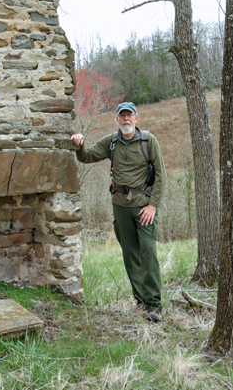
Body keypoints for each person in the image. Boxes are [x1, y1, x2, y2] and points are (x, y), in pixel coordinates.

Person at [71, 101, 167, 322]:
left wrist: (153, 205)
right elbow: (87, 156)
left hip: (144, 207)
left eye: (129, 115)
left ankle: (155, 305)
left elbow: (161, 174)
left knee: (148, 253)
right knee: (130, 256)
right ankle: (141, 301)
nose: (126, 119)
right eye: (122, 116)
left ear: (136, 118)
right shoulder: (111, 142)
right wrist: (79, 144)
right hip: (120, 207)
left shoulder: (148, 140)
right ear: (117, 119)